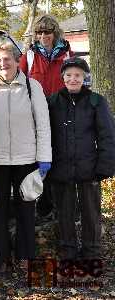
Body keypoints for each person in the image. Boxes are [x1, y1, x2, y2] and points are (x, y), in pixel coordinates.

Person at [0, 41, 51, 274]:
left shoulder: (33, 87)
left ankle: (26, 256)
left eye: (7, 59)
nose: (4, 64)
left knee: (25, 210)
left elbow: (43, 124)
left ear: (15, 60)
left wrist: (44, 158)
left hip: (26, 160)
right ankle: (1, 257)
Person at [48, 57, 115, 261]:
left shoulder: (96, 101)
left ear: (84, 77)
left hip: (89, 168)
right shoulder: (53, 101)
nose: (73, 79)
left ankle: (92, 251)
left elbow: (107, 135)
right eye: (69, 75)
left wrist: (104, 166)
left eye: (77, 75)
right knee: (65, 212)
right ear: (63, 77)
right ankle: (68, 250)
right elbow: (46, 134)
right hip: (61, 167)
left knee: (91, 212)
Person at [19, 15, 73, 219]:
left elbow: (74, 80)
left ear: (55, 33)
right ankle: (41, 205)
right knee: (39, 160)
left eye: (47, 32)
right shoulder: (29, 56)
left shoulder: (67, 54)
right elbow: (20, 85)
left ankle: (59, 206)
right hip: (36, 116)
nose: (43, 36)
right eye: (40, 32)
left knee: (59, 158)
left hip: (62, 114)